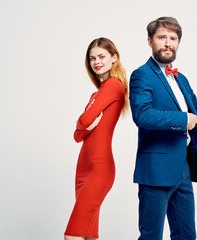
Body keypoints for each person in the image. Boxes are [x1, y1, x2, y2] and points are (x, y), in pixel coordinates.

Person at [129, 17, 197, 240]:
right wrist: (182, 120)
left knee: (186, 235)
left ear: (178, 43)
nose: (168, 43)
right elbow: (142, 115)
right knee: (151, 236)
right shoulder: (141, 74)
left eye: (173, 38)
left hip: (184, 169)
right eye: (162, 37)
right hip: (155, 170)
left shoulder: (182, 79)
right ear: (150, 41)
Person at [64, 37, 129, 240]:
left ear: (114, 58)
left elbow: (84, 120)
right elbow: (77, 136)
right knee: (87, 235)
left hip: (99, 169)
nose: (96, 62)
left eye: (101, 56)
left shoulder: (114, 86)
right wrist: (85, 125)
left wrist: (85, 123)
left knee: (72, 235)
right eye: (92, 58)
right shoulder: (97, 94)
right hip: (83, 169)